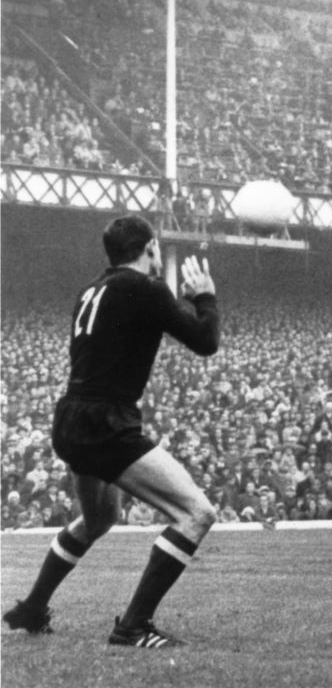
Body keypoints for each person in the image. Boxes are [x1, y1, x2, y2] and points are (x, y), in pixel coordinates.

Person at [3, 215, 219, 648]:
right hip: (106, 423)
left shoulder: (91, 290)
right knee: (197, 513)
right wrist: (205, 297)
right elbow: (205, 342)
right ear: (151, 247)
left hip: (71, 418)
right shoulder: (144, 288)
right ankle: (133, 625)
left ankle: (32, 607)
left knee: (100, 518)